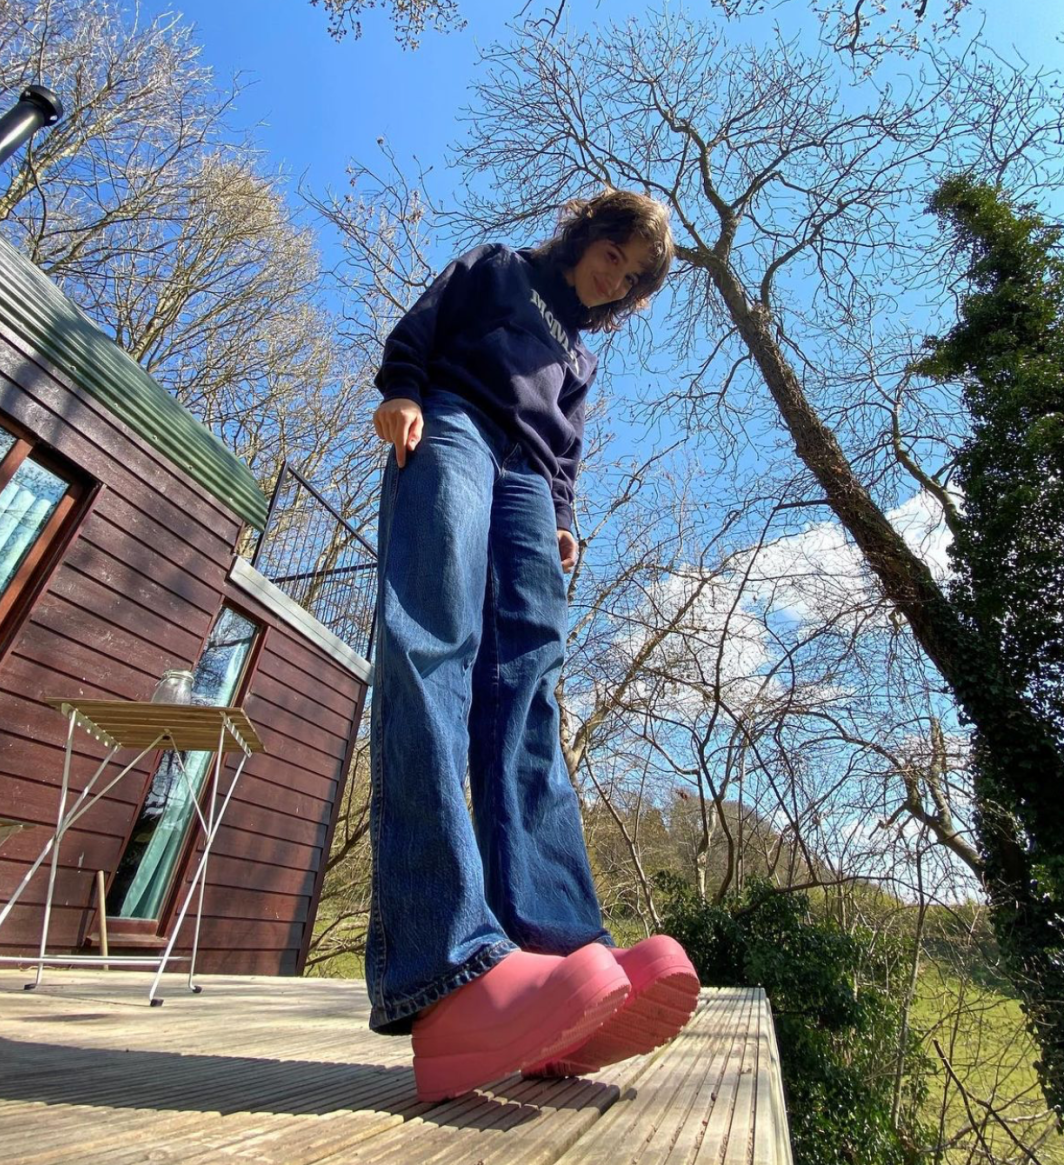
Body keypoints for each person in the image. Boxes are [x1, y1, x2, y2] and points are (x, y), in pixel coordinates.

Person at [367, 189, 699, 1102]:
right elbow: (427, 320)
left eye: (630, 282)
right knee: (433, 645)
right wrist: (401, 389)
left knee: (530, 690)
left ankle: (560, 960)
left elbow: (565, 453)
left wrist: (562, 517)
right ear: (589, 232)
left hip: (529, 486)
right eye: (615, 258)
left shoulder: (581, 359)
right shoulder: (503, 268)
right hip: (456, 424)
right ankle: (446, 968)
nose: (614, 281)